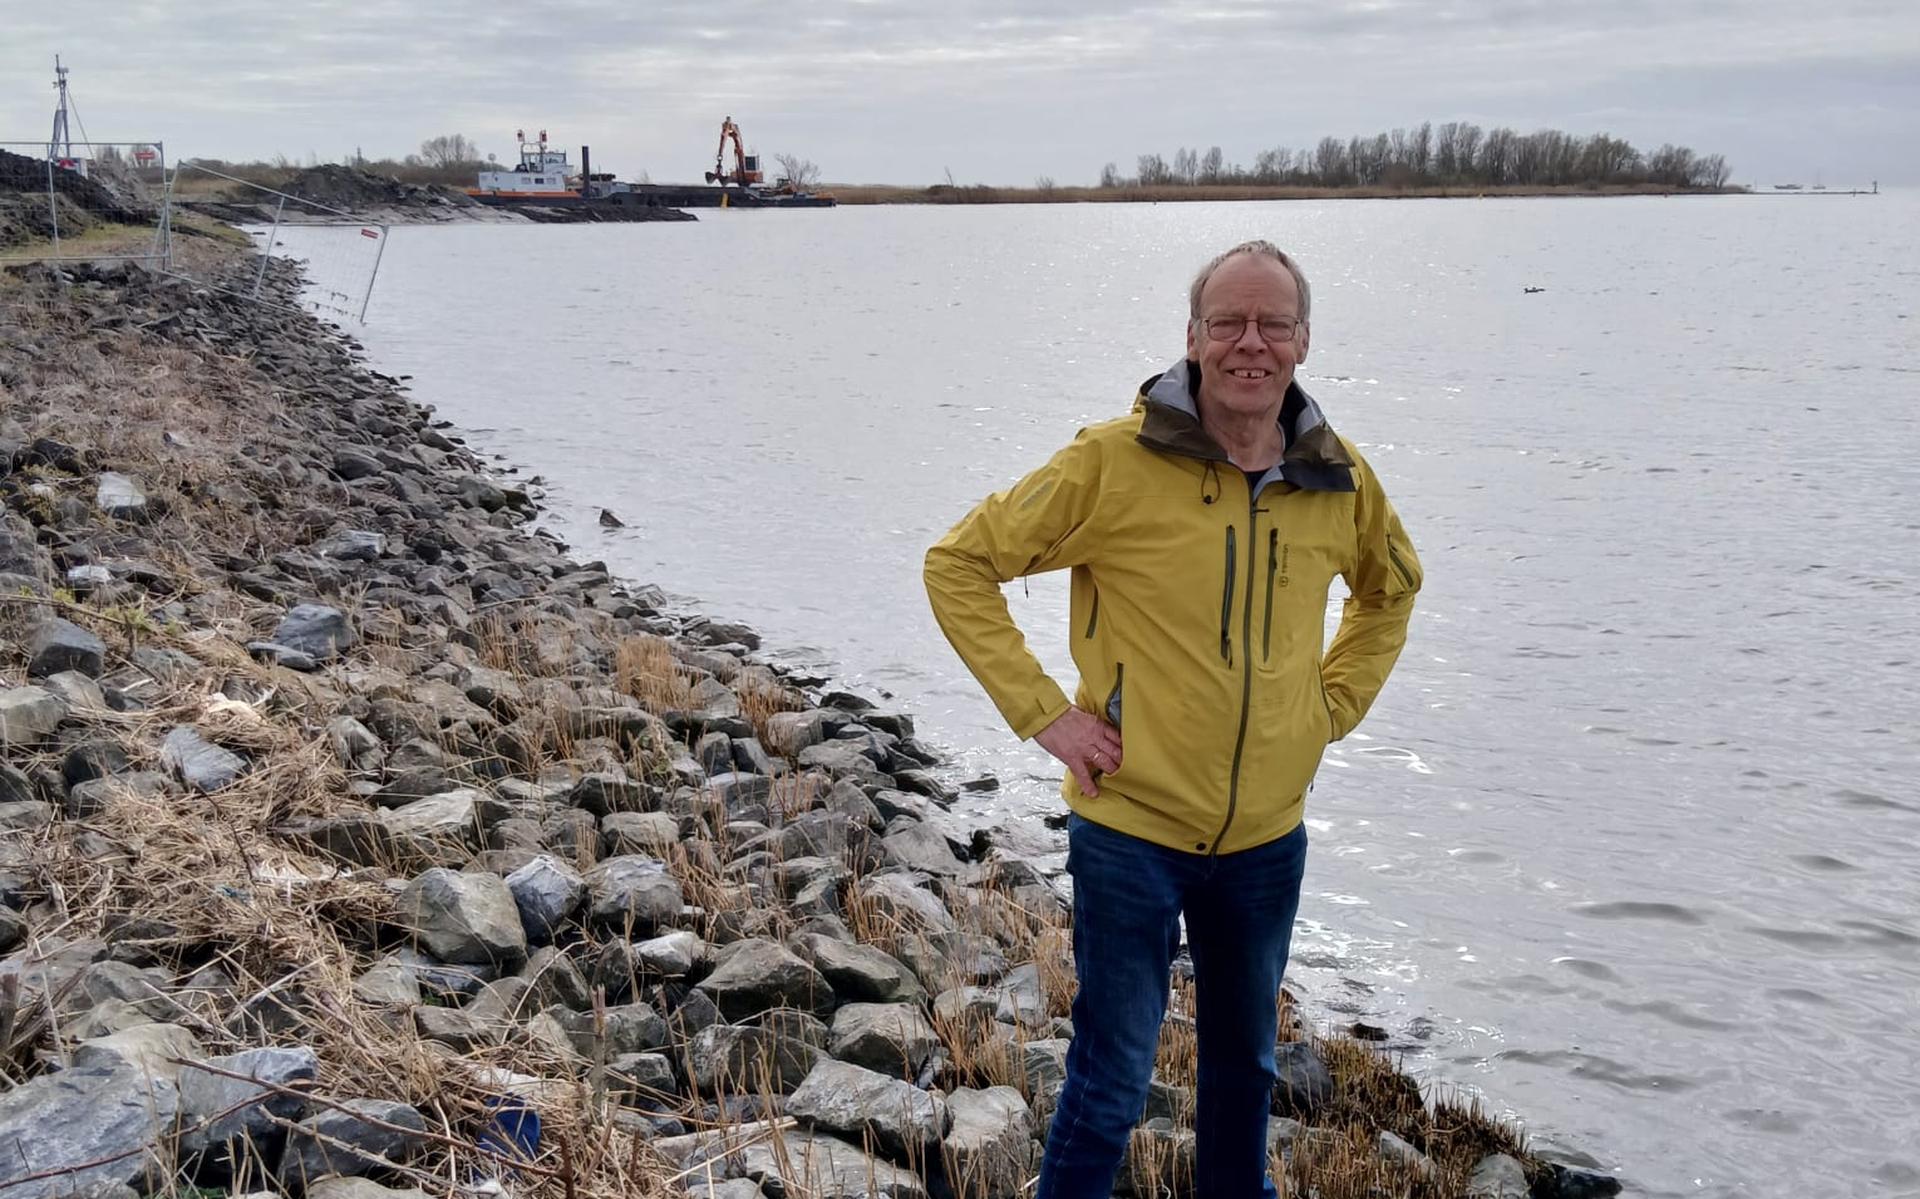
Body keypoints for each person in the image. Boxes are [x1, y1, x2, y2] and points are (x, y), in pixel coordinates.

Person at [923, 240, 1421, 1198]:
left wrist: (1328, 708)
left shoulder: (1335, 475)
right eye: (1228, 323)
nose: (1251, 343)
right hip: (1130, 827)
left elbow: (1391, 589)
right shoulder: (1114, 461)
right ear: (1192, 339)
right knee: (1111, 1079)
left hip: (1267, 840)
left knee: (1247, 1074)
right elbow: (959, 563)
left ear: (1303, 341)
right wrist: (1048, 718)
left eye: (1273, 324)